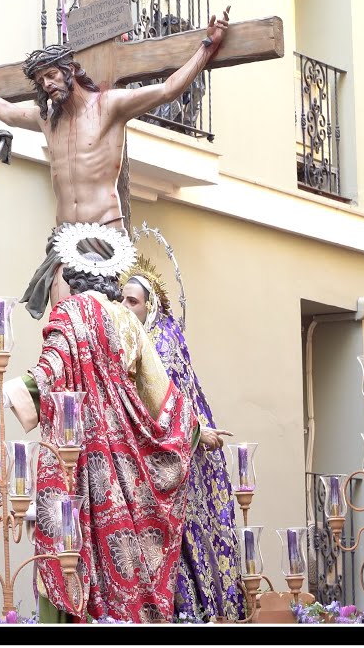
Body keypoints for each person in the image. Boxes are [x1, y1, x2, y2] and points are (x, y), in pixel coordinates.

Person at [0, 226, 197, 623]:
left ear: (68, 277)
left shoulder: (72, 315)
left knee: (66, 546)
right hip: (127, 464)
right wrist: (182, 437)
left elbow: (49, 373)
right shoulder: (127, 319)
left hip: (79, 454)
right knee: (126, 557)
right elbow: (167, 401)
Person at [0, 10, 230, 320]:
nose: (47, 84)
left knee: (88, 319)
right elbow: (8, 113)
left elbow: (168, 89)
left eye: (51, 75)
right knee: (62, 319)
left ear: (69, 70)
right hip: (64, 236)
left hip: (103, 233)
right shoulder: (47, 120)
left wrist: (207, 45)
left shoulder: (109, 106)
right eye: (41, 81)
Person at [120, 255, 243, 621]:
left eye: (133, 301)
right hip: (139, 457)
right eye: (121, 299)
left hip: (172, 460)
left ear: (150, 306)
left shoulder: (163, 343)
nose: (124, 307)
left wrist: (195, 433)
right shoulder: (127, 341)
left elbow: (170, 405)